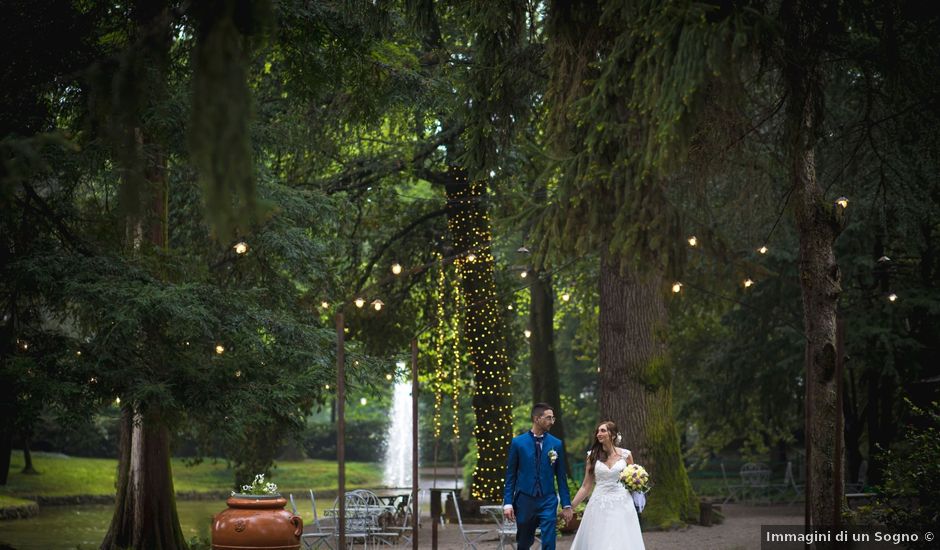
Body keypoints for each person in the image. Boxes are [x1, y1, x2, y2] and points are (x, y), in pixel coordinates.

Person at [503, 403, 573, 550]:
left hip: (548, 499)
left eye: (553, 418)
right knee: (524, 542)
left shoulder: (557, 444)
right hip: (525, 500)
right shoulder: (518, 443)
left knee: (549, 540)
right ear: (536, 418)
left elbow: (561, 477)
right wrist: (508, 503)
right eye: (548, 418)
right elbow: (511, 476)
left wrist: (566, 505)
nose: (552, 422)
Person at [569, 421, 646, 550]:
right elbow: (586, 486)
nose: (599, 434)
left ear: (613, 435)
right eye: (598, 431)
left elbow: (632, 478)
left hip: (622, 503)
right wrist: (571, 507)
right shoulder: (592, 456)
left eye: (603, 430)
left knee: (622, 540)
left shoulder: (626, 455)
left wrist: (637, 482)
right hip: (599, 503)